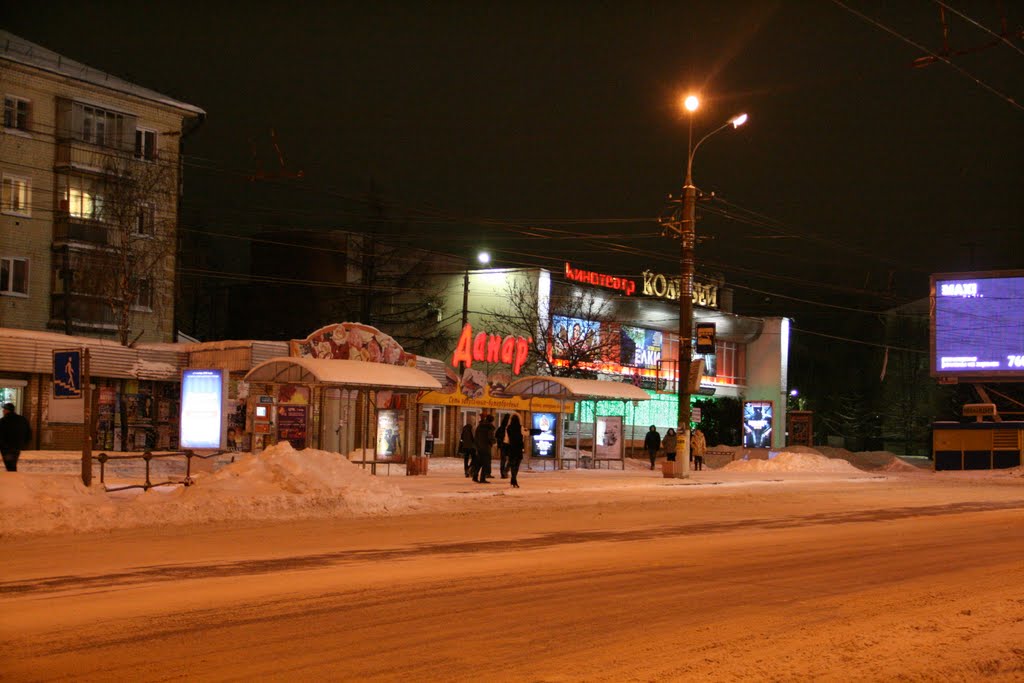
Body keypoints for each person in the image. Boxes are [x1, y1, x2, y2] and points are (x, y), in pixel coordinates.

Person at [0, 402, 32, 472]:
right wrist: (25, 444)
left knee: (10, 466)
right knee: (12, 464)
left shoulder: (3, 421)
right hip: (18, 446)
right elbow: (29, 432)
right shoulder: (22, 419)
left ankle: (12, 479)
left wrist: (2, 445)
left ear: (7, 410)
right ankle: (13, 477)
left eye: (4, 409)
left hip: (6, 448)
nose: (3, 411)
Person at [471, 414, 496, 483]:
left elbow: (476, 436)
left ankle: (475, 476)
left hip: (479, 447)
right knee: (486, 463)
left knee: (479, 462)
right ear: (491, 420)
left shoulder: (480, 426)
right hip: (486, 447)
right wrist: (494, 441)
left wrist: (476, 445)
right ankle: (482, 478)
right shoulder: (489, 427)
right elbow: (490, 437)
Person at [506, 414, 525, 488]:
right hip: (519, 448)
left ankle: (513, 479)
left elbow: (507, 439)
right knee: (517, 465)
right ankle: (514, 479)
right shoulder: (521, 427)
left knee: (512, 465)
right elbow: (524, 435)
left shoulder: (508, 428)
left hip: (511, 448)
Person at [496, 413, 511, 478]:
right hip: (504, 445)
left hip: (509, 445)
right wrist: (500, 442)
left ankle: (505, 471)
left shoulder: (511, 427)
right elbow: (496, 435)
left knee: (510, 459)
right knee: (503, 459)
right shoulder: (501, 428)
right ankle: (503, 473)